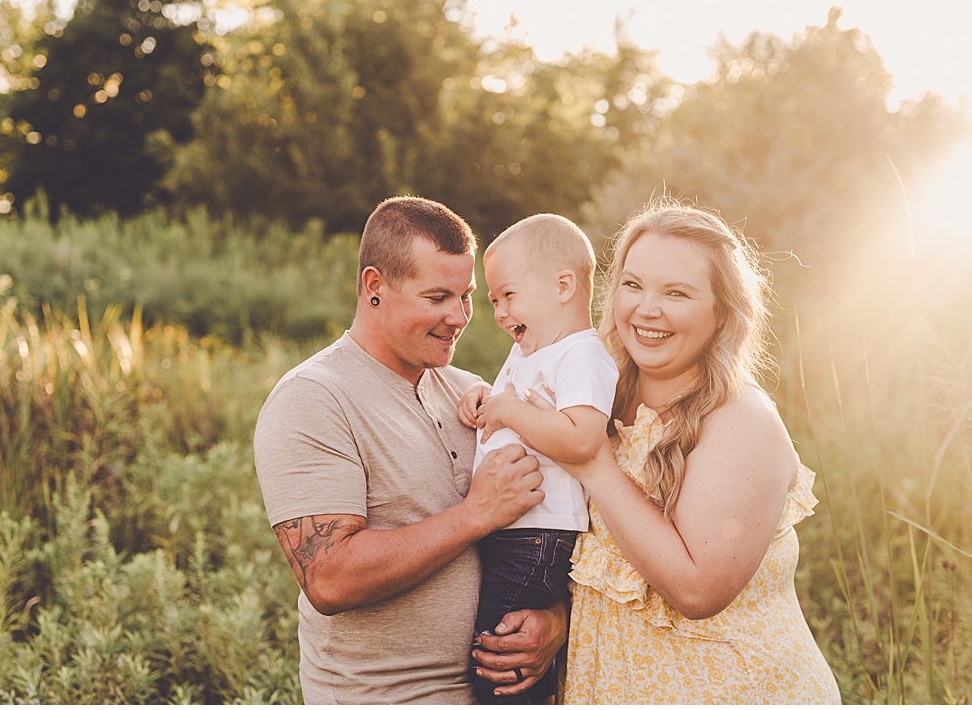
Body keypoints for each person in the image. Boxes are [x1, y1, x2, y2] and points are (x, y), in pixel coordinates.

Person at [253, 196, 568, 704]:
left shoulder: (472, 392)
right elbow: (329, 578)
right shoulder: (313, 398)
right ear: (375, 286)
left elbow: (550, 520)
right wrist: (476, 514)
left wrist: (555, 621)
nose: (460, 317)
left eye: (466, 296)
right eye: (437, 296)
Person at [546, 200, 841, 703]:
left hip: (732, 691)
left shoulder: (740, 420)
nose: (646, 310)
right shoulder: (594, 395)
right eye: (633, 285)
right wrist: (552, 618)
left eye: (676, 293)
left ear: (722, 312)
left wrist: (595, 466)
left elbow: (697, 590)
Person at [456, 214, 618, 704]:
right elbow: (511, 407)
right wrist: (483, 399)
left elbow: (582, 438)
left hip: (538, 536)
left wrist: (509, 409)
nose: (500, 312)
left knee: (500, 655)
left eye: (508, 295)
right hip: (510, 529)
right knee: (499, 647)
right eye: (493, 301)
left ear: (563, 285)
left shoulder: (581, 354)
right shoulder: (529, 350)